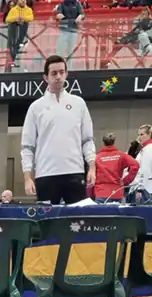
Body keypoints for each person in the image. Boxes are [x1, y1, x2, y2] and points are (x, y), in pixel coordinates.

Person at [20, 55, 96, 205]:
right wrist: (27, 177)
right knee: (47, 224)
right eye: (54, 73)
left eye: (62, 72)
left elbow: (87, 139)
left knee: (77, 223)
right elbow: (27, 146)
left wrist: (92, 167)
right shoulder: (36, 108)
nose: (58, 77)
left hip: (75, 172)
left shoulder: (78, 104)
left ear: (66, 74)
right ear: (46, 77)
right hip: (46, 174)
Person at [93, 132, 139, 203]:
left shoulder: (97, 158)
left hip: (101, 193)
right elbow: (136, 165)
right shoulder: (121, 156)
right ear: (114, 142)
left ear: (103, 143)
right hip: (117, 193)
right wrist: (126, 181)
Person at [128, 123, 152, 204]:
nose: (139, 137)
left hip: (143, 188)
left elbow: (145, 169)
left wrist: (140, 189)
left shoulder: (148, 149)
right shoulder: (145, 149)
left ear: (149, 134)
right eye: (138, 134)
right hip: (139, 186)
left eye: (142, 134)